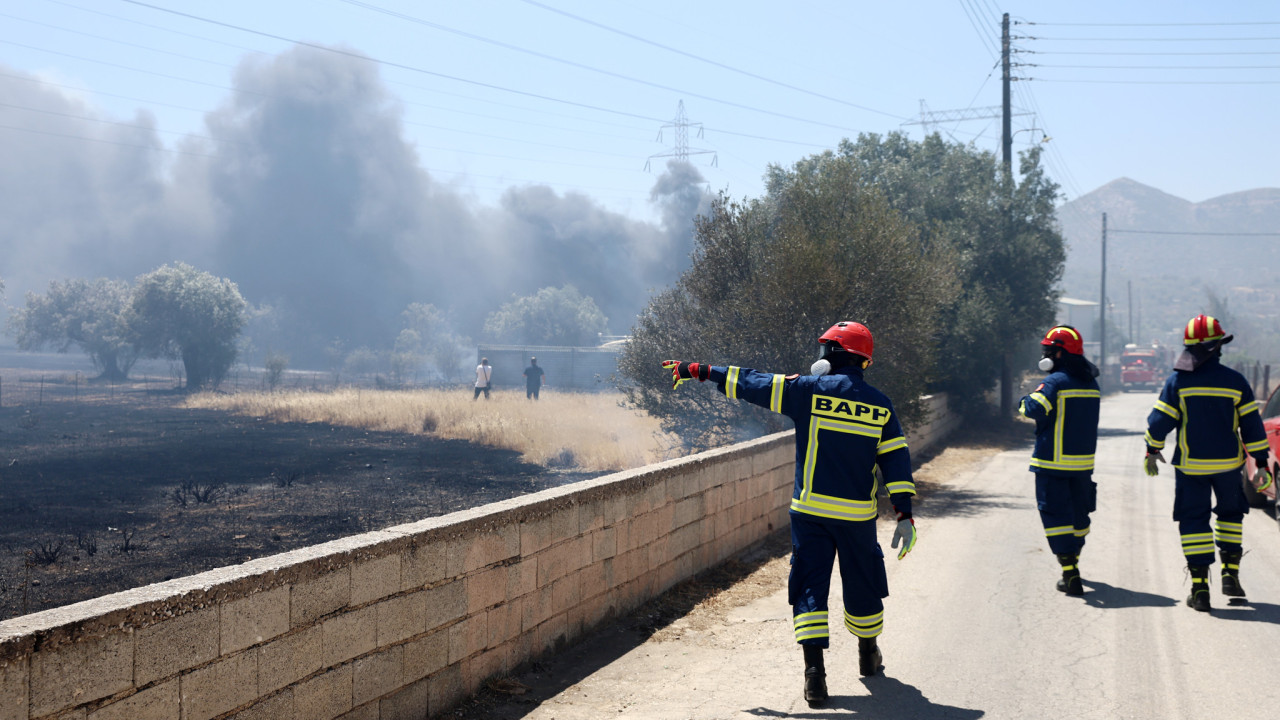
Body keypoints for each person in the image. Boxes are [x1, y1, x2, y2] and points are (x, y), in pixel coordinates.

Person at [663, 321, 917, 708]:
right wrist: (905, 514)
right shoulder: (881, 405)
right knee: (863, 581)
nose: (819, 358)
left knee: (811, 587)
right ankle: (868, 654)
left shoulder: (808, 391)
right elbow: (895, 459)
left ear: (834, 354)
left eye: (824, 350)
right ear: (863, 360)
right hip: (857, 518)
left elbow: (753, 382)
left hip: (810, 513)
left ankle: (814, 676)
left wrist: (698, 369)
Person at [1144, 314, 1273, 612]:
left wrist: (1152, 450)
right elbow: (1252, 427)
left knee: (1193, 522)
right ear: (1219, 347)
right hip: (1229, 467)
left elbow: (1160, 422)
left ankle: (1200, 589)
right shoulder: (1235, 381)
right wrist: (1262, 463)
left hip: (1191, 468)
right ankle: (1231, 574)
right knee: (1230, 516)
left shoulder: (1178, 381)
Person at [1017, 326, 1101, 597]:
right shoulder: (1091, 383)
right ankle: (1073, 561)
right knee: (1080, 517)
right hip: (1082, 466)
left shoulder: (1055, 382)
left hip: (1052, 464)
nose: (1045, 354)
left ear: (1059, 353)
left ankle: (1070, 572)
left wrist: (1023, 399)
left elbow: (1033, 408)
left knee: (1055, 517)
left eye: (1048, 350)